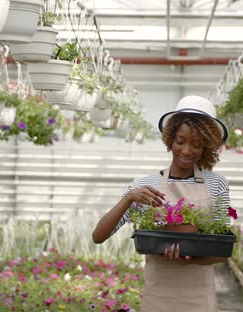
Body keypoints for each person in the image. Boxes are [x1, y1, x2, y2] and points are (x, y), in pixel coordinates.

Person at [92, 95, 231, 312]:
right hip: (159, 293)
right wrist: (128, 199)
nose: (186, 150)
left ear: (206, 146)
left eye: (196, 144)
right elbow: (98, 236)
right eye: (180, 141)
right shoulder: (146, 185)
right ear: (169, 139)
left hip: (199, 295)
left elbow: (222, 251)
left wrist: (189, 255)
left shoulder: (216, 184)